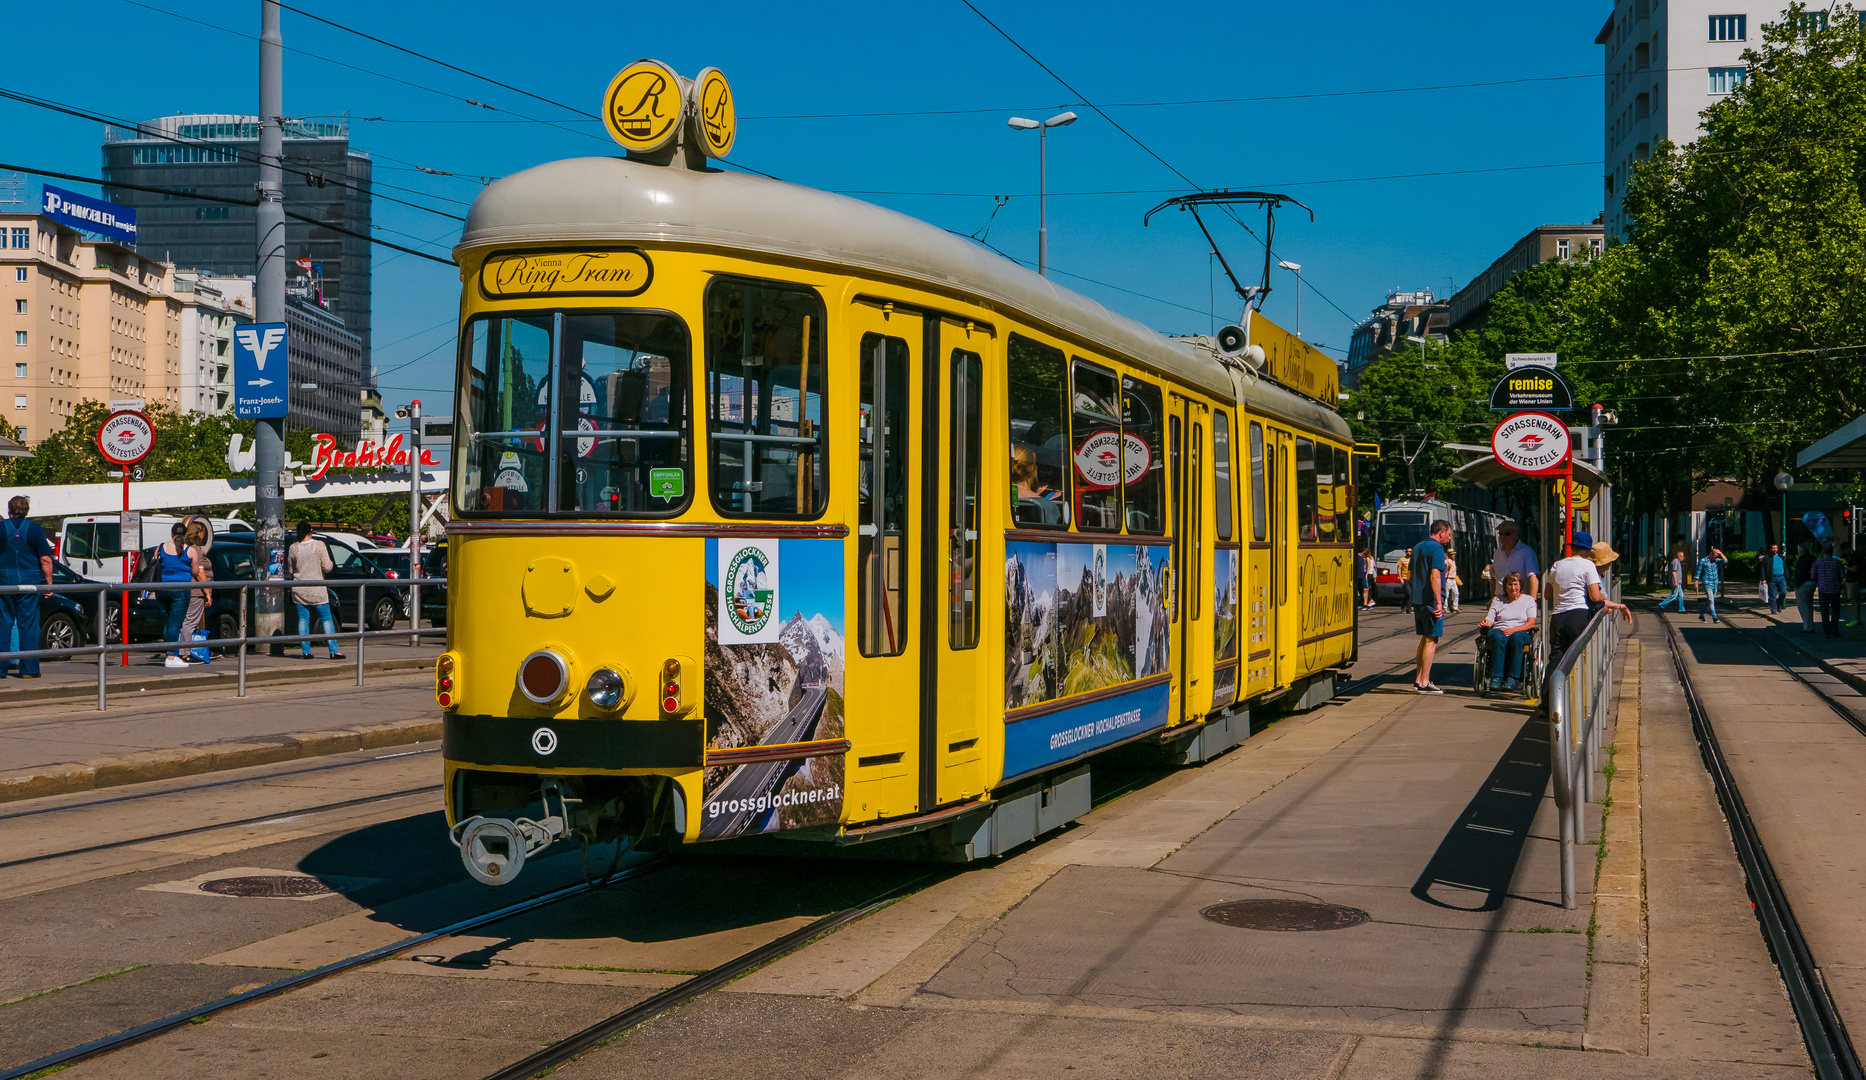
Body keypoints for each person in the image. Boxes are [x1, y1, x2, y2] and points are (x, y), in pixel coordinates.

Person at [1545, 531, 1633, 677]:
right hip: (1578, 615)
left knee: (1556, 659)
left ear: (1572, 547)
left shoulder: (1557, 565)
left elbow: (1548, 595)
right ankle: (1576, 698)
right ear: (1587, 550)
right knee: (1579, 658)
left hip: (1558, 617)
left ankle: (1548, 697)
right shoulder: (1587, 565)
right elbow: (1595, 596)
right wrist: (1602, 595)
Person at [0, 495, 55, 678]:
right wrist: (48, 584)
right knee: (29, 625)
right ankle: (29, 670)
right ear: (27, 511)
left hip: (4, 582)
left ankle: (1, 669)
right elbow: (45, 559)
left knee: (3, 623)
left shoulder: (0, 528)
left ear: (9, 510)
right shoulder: (35, 530)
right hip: (29, 582)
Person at [288, 522, 345, 660]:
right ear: (311, 531)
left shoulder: (293, 547)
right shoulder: (319, 545)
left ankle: (306, 652)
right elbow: (327, 567)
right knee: (326, 618)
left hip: (300, 588)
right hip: (317, 588)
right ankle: (333, 650)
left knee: (303, 619)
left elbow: (290, 569)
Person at [1478, 571, 1538, 693]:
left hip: (1520, 631)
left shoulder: (1528, 600)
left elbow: (1531, 622)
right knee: (1497, 637)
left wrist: (1513, 630)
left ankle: (1512, 678)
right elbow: (1490, 619)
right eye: (1509, 584)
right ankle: (1496, 677)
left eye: (1515, 584)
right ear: (1505, 586)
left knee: (1516, 638)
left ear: (1520, 585)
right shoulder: (1497, 600)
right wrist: (1485, 623)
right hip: (1499, 630)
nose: (1513, 587)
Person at [1410, 519, 1451, 694]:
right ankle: (1425, 681)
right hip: (1431, 601)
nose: (1449, 538)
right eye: (1448, 534)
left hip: (1418, 599)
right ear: (1441, 532)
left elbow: (1411, 574)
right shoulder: (1437, 549)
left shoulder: (1418, 547)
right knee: (1432, 640)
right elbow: (1435, 575)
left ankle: (1419, 679)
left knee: (1424, 638)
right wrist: (1439, 602)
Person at [151, 521, 198, 668]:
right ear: (185, 535)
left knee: (167, 623)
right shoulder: (190, 551)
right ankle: (171, 657)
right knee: (175, 624)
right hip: (181, 590)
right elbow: (195, 572)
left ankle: (169, 653)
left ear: (171, 534)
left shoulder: (161, 548)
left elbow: (156, 563)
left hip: (162, 589)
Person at [175, 517, 213, 664]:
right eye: (202, 531)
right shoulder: (196, 550)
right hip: (197, 591)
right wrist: (207, 593)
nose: (204, 535)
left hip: (191, 590)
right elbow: (200, 573)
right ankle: (185, 653)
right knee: (190, 622)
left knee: (187, 621)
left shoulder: (187, 548)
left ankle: (185, 651)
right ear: (198, 533)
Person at [1488, 521, 1540, 601]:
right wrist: (1492, 599)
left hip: (1520, 600)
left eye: (1507, 534)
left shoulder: (1527, 552)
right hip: (1500, 600)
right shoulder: (1497, 553)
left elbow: (1533, 578)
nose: (1503, 537)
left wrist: (1532, 600)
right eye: (1500, 534)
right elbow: (1493, 579)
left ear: (1515, 534)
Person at [1814, 542, 1846, 638]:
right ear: (1832, 552)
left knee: (1824, 610)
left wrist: (1819, 581)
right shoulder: (1837, 562)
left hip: (1823, 588)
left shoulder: (1818, 562)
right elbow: (1843, 575)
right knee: (1835, 609)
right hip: (1834, 589)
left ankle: (1826, 630)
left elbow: (1813, 574)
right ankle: (1834, 629)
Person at [1695, 546, 1727, 623]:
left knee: (1709, 601)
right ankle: (1714, 617)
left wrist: (1720, 553)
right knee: (1711, 600)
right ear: (1711, 554)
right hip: (1707, 583)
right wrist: (1696, 581)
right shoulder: (1703, 561)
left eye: (1717, 556)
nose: (1716, 558)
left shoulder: (1717, 560)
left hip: (1715, 583)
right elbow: (1698, 571)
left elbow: (1725, 561)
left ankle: (1701, 615)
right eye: (1715, 556)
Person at [1794, 540, 1818, 633]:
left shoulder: (1802, 560)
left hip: (1803, 584)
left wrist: (1797, 585)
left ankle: (1807, 626)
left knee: (1803, 606)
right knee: (1809, 605)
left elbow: (1800, 573)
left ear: (1801, 550)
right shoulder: (1813, 558)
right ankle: (1810, 624)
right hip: (1812, 583)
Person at [1659, 545, 1686, 613]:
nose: (1683, 557)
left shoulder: (1677, 562)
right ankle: (1662, 604)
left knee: (1681, 595)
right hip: (1676, 581)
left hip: (1678, 582)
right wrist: (1675, 582)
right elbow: (1673, 572)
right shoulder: (1675, 562)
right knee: (1674, 595)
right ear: (1679, 556)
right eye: (1682, 556)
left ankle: (1681, 609)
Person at [1765, 543, 1788, 614]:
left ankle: (1779, 604)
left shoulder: (1781, 557)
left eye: (1776, 548)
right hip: (1772, 578)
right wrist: (1763, 579)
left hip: (1781, 577)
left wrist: (1787, 576)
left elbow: (1785, 566)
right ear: (1770, 549)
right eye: (1773, 548)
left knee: (1783, 592)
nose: (1775, 550)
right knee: (1772, 595)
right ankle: (1773, 609)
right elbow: (1763, 568)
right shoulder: (1767, 558)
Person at [1849, 543, 1866, 627]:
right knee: (1854, 600)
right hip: (1856, 580)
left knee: (1854, 600)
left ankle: (1856, 619)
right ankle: (1856, 619)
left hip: (1854, 581)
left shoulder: (1854, 557)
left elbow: (1854, 569)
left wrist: (1845, 566)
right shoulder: (1858, 557)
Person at [1443, 547, 1461, 614]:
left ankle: (1455, 607)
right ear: (1449, 555)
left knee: (1456, 593)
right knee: (1446, 594)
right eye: (1452, 554)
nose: (1454, 555)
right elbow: (1444, 570)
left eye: (1454, 554)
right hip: (1448, 579)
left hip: (1453, 579)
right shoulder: (1446, 561)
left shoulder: (1453, 561)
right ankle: (1445, 607)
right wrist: (1447, 568)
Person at [1397, 548, 1413, 615]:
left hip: (1412, 578)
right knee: (1408, 593)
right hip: (1404, 578)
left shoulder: (1413, 559)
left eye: (1410, 551)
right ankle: (1408, 609)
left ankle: (1404, 605)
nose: (1408, 553)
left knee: (1409, 594)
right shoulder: (1402, 559)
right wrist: (1400, 578)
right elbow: (1399, 569)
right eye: (1407, 551)